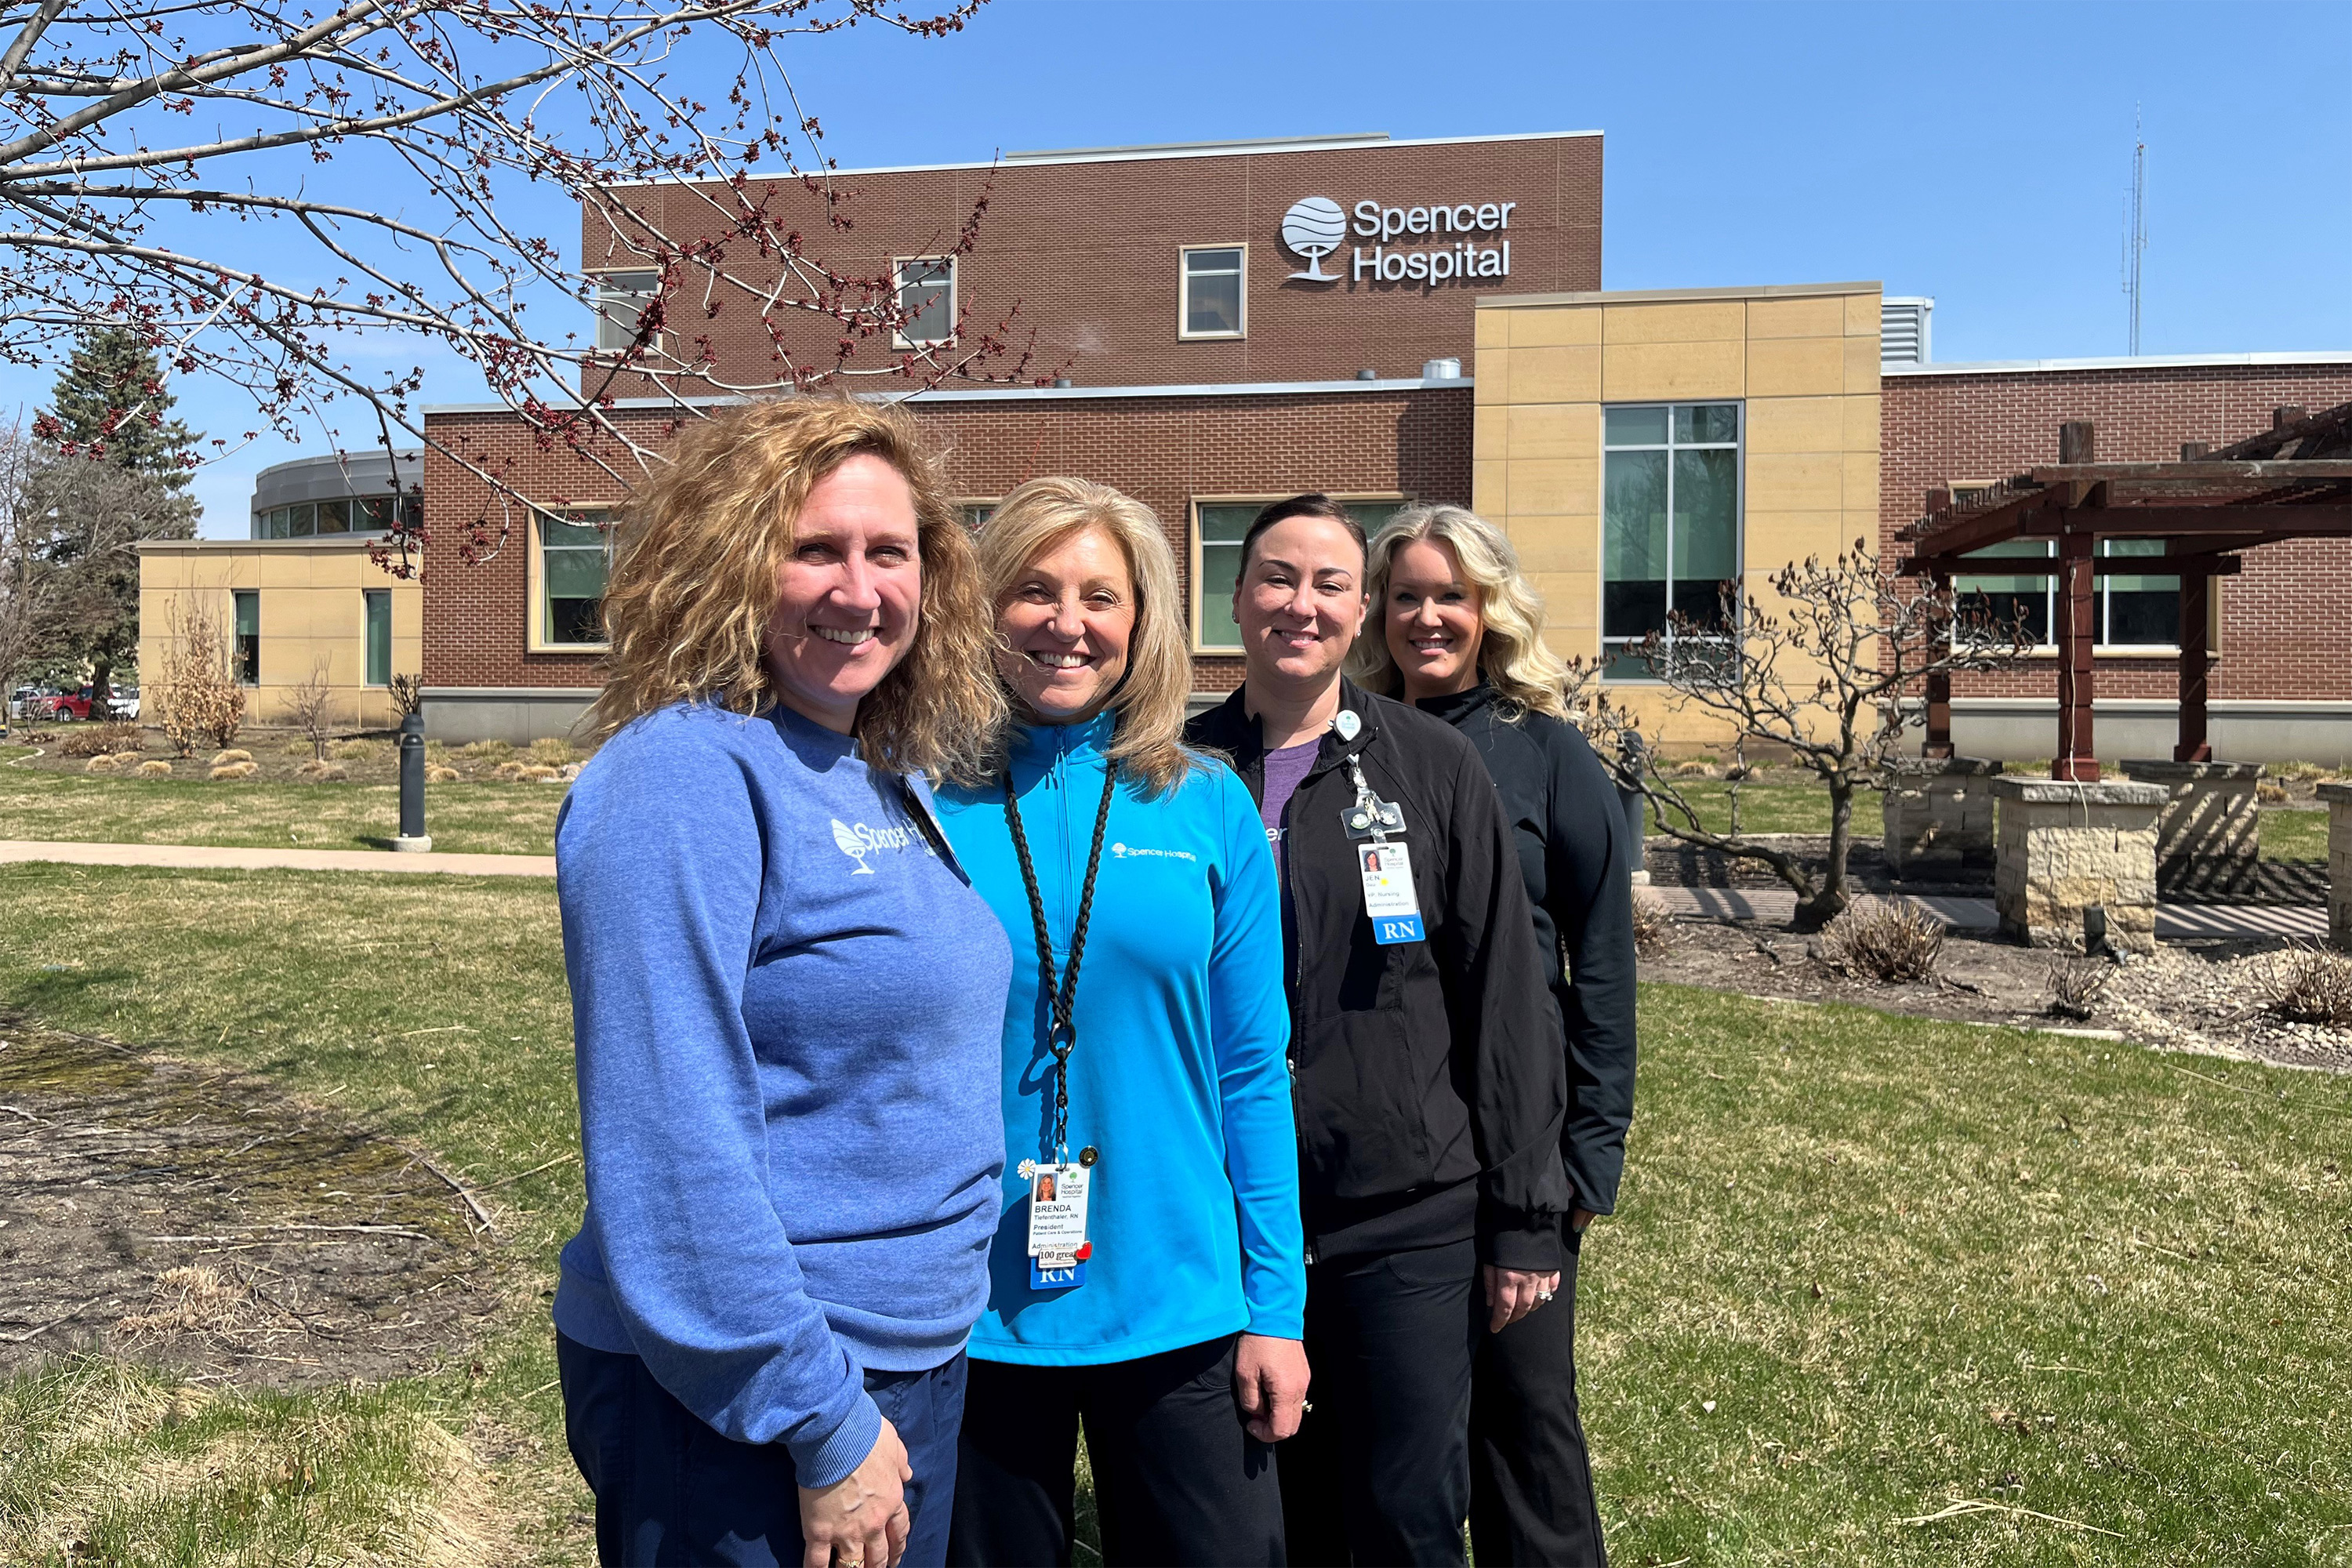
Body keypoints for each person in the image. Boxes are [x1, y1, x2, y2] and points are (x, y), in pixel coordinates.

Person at [552, 399, 1013, 1568]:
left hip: (904, 1360)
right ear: (729, 562)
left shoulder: (869, 771)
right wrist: (818, 1417)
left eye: (889, 553)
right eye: (814, 550)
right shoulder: (681, 777)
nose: (858, 593)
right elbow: (669, 1139)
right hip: (761, 1395)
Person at [1185, 494, 1570, 1567]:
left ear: (1361, 614)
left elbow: (1503, 994)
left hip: (1403, 1215)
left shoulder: (1431, 770)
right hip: (1225, 1215)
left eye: (1329, 584)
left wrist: (1525, 1215)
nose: (1299, 604)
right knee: (1263, 1512)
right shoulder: (1174, 771)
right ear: (1236, 595)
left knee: (1401, 1514)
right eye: (1276, 577)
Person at [936, 477, 1306, 1568]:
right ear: (983, 607)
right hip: (969, 1306)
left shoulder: (1205, 800)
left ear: (1141, 621)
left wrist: (1275, 1305)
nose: (1068, 622)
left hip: (1182, 1297)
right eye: (1034, 590)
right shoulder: (913, 792)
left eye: (1101, 595)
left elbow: (1252, 1073)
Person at [1355, 504, 1638, 1567]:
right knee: (1408, 1412)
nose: (1427, 617)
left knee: (1526, 1410)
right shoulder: (1352, 745)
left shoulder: (1547, 754)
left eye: (1450, 596)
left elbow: (1603, 969)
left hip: (1523, 1134)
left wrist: (1588, 1154)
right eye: (1407, 596)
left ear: (1489, 609)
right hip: (1396, 1129)